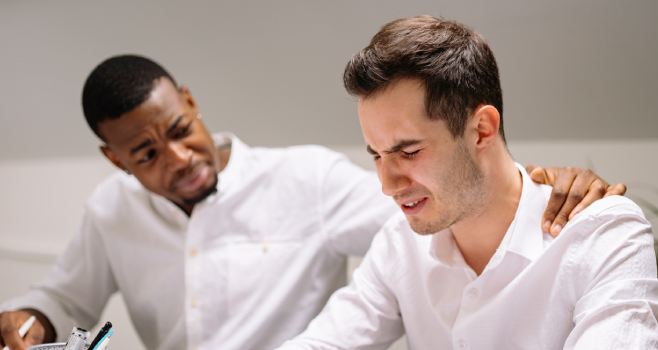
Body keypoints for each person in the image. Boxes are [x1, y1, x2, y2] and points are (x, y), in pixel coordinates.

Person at [0, 55, 624, 349]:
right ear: (115, 159)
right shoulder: (110, 212)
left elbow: (440, 203)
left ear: (190, 102)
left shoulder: (309, 181)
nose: (178, 158)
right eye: (145, 155)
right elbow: (62, 297)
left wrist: (533, 183)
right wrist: (30, 319)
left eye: (179, 131)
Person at [278, 16, 658, 349]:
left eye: (409, 153)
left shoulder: (603, 234)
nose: (388, 184)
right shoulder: (400, 243)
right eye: (377, 155)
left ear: (481, 129)